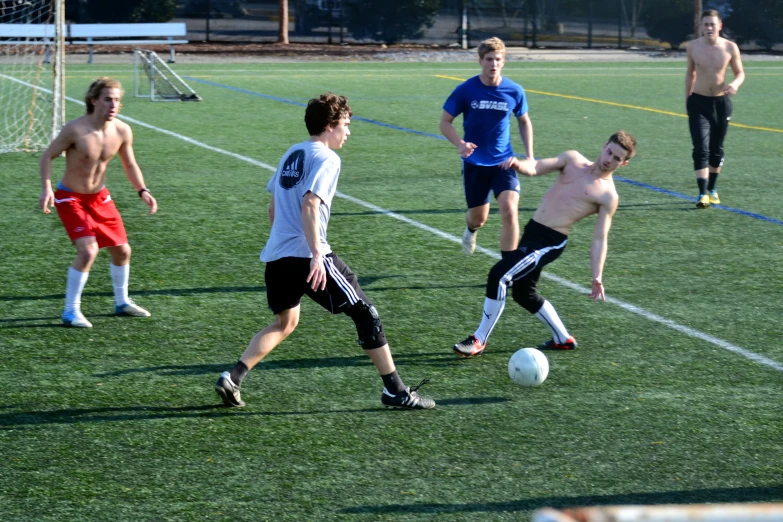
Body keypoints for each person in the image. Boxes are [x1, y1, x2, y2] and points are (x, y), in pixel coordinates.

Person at [214, 93, 435, 410]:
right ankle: (396, 391)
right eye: (345, 125)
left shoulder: (292, 153)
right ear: (330, 126)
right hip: (308, 256)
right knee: (365, 314)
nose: (348, 132)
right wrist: (316, 255)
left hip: (277, 257)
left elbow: (274, 209)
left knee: (284, 323)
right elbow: (310, 204)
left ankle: (232, 377)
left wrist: (285, 243)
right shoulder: (328, 158)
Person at [452, 131, 636, 357]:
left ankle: (479, 339)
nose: (610, 159)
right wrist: (519, 165)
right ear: (604, 145)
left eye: (617, 158)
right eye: (610, 152)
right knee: (523, 293)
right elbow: (537, 167)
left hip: (550, 241)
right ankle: (563, 338)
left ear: (624, 163)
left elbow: (600, 237)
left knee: (499, 275)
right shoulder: (573, 159)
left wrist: (597, 276)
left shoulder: (608, 195)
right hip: (533, 231)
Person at [39, 77, 157, 328]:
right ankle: (71, 311)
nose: (113, 105)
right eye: (107, 99)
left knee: (123, 251)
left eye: (117, 100)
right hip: (70, 197)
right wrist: (46, 188)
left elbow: (130, 164)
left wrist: (143, 190)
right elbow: (47, 156)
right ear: (93, 101)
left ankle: (122, 302)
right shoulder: (75, 129)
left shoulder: (122, 130)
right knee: (88, 251)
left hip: (100, 198)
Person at [439, 36, 534, 257]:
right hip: (475, 164)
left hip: (504, 162)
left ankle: (507, 268)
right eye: (489, 59)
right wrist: (460, 144)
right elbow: (444, 122)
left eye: (498, 59)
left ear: (503, 62)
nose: (493, 64)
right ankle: (471, 230)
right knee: (478, 219)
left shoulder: (514, 90)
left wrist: (529, 157)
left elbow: (524, 121)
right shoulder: (465, 90)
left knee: (510, 212)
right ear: (480, 61)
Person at [685, 9, 744, 208]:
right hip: (698, 103)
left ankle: (712, 189)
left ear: (720, 26)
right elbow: (690, 74)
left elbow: (740, 73)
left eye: (712, 24)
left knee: (716, 150)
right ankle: (702, 194)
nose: (708, 28)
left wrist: (735, 84)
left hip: (721, 104)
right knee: (701, 148)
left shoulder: (730, 47)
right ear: (700, 26)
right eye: (705, 24)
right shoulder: (692, 47)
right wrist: (688, 99)